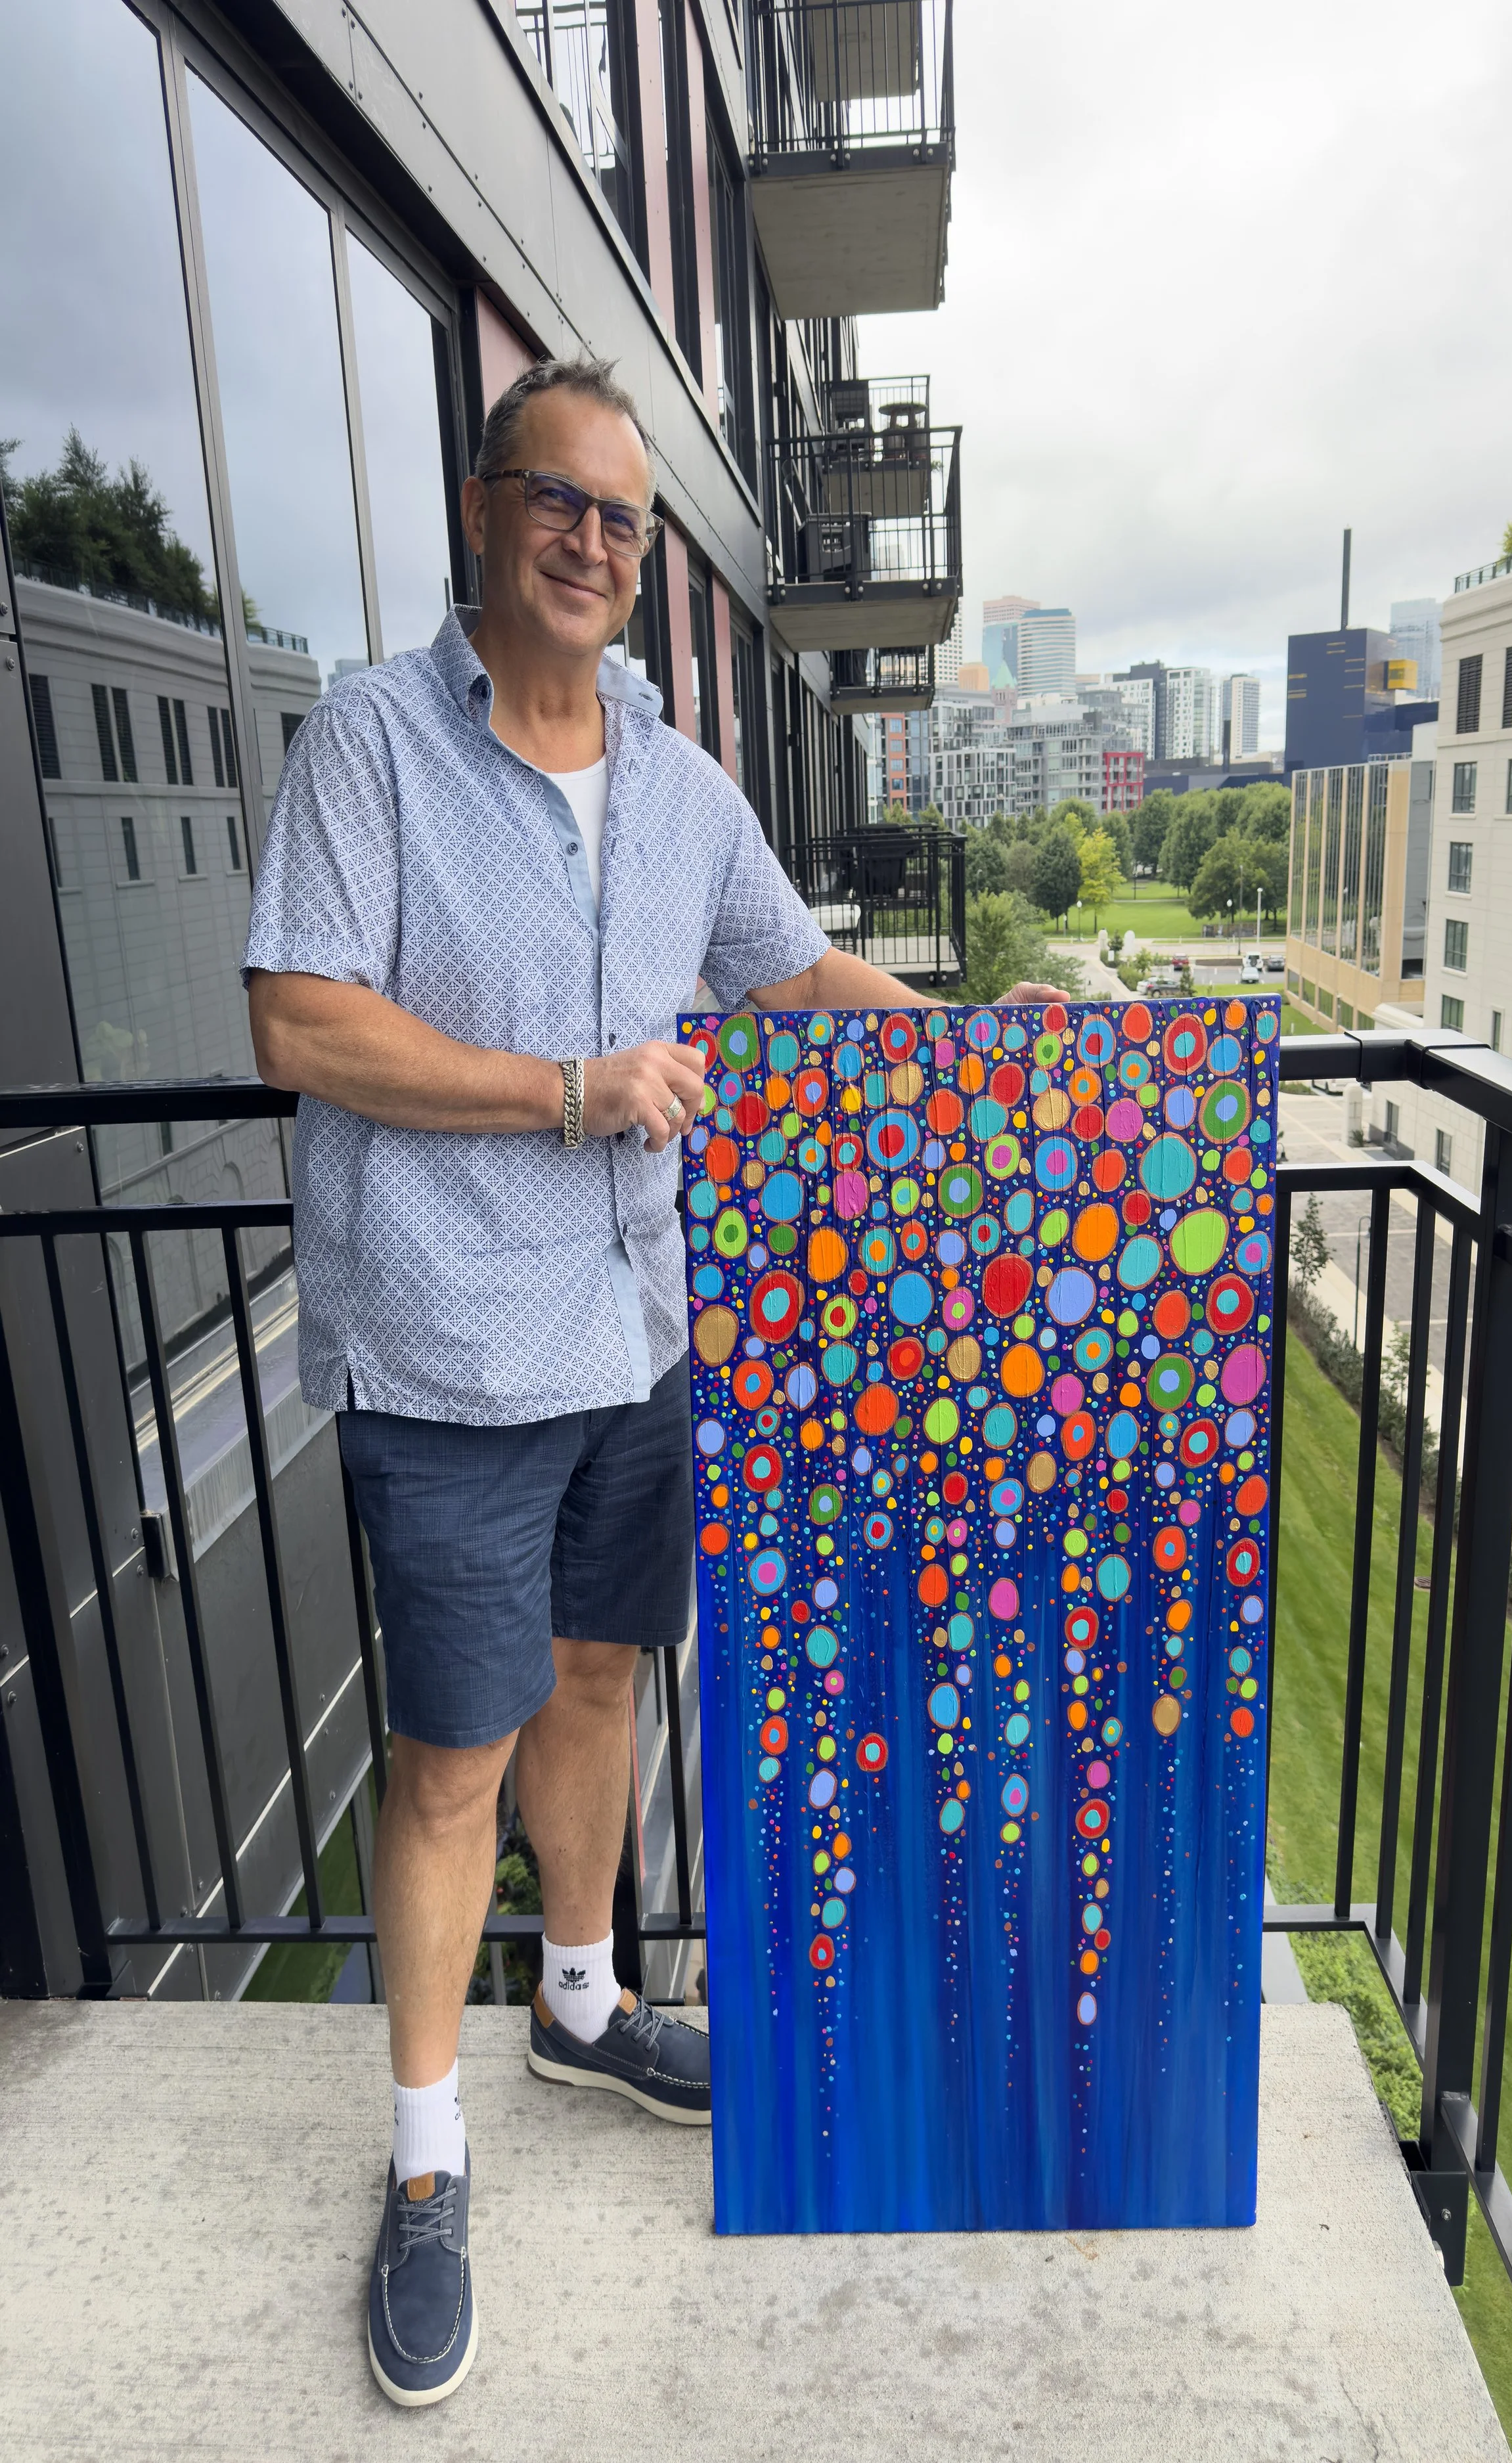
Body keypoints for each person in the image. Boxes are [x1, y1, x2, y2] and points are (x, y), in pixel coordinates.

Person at [244, 354, 1059, 2408]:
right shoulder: (370, 744)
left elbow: (799, 977)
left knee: (603, 1676)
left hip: (637, 1334)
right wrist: (565, 1091)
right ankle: (426, 2167)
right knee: (448, 1758)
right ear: (481, 511)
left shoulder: (687, 786)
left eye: (623, 519)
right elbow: (296, 1022)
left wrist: (1013, 1056)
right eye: (562, 501)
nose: (594, 540)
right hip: (444, 1348)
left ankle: (583, 2004)